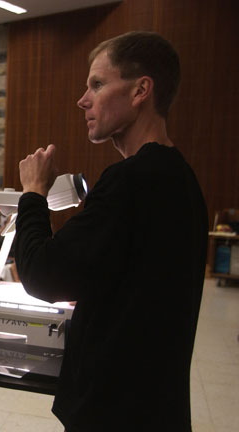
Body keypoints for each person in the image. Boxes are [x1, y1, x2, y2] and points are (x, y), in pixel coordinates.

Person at [13, 32, 207, 430]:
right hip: (154, 404)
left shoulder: (131, 179)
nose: (83, 100)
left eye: (97, 84)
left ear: (140, 90)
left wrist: (32, 194)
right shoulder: (181, 177)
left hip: (113, 411)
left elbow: (43, 274)